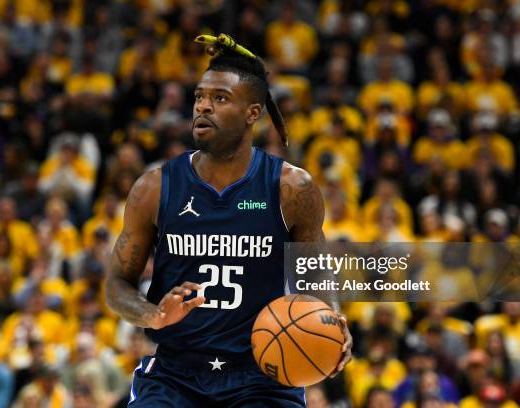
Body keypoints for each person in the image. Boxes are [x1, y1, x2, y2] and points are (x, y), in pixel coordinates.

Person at [106, 33, 352, 407]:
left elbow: (314, 272)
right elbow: (117, 285)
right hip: (176, 375)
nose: (203, 107)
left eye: (219, 98)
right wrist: (152, 314)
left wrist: (333, 320)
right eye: (199, 97)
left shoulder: (292, 188)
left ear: (253, 112)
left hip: (263, 374)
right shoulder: (154, 188)